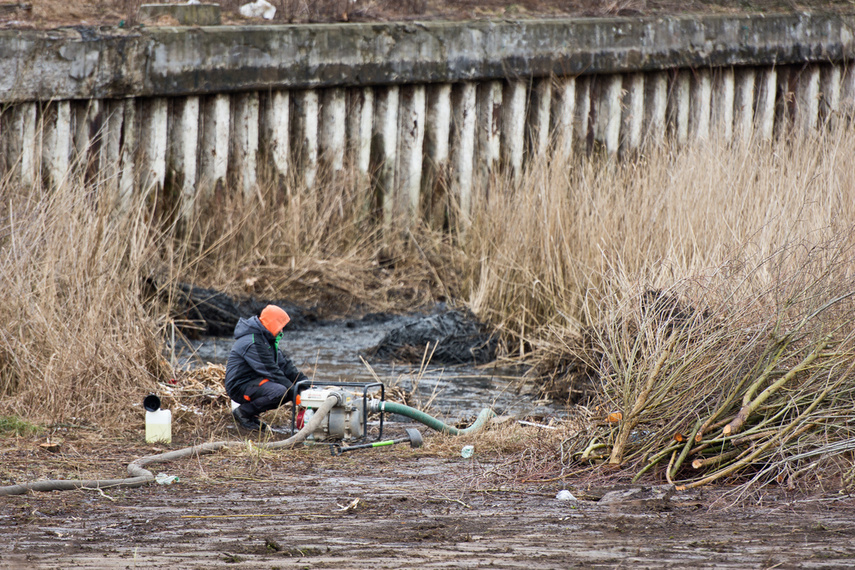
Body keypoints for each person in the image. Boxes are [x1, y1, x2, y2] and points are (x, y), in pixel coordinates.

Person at [225, 304, 309, 431]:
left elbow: (285, 365)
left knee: (287, 389)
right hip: (239, 386)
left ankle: (250, 414)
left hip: (255, 383)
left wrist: (306, 385)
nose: (282, 331)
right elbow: (272, 371)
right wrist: (294, 394)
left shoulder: (266, 339)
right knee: (280, 391)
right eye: (280, 327)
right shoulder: (253, 342)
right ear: (272, 324)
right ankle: (243, 413)